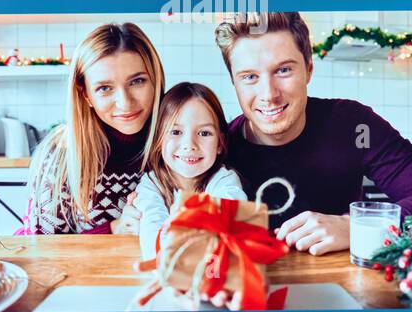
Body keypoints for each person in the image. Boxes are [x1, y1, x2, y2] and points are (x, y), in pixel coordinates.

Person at [214, 12, 412, 255]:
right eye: (250, 77)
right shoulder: (219, 148)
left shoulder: (353, 125)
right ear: (234, 82)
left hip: (345, 289)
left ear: (308, 70)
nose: (269, 95)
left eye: (283, 70)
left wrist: (356, 227)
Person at [21, 22, 164, 235]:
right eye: (105, 88)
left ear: (156, 80)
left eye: (137, 81)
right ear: (86, 94)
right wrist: (113, 230)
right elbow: (42, 248)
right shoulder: (60, 153)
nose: (125, 103)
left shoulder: (178, 142)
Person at [134, 82, 246, 258]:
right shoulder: (151, 184)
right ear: (159, 138)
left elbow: (230, 214)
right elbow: (150, 231)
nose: (189, 145)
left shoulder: (224, 180)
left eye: (204, 133)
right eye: (176, 132)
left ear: (220, 143)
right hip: (167, 273)